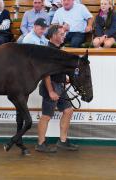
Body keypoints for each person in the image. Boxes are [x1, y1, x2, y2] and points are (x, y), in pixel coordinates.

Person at [35, 25, 78, 153]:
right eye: (61, 34)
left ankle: (63, 141)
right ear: (53, 36)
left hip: (59, 86)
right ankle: (40, 143)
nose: (63, 36)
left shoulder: (58, 49)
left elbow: (57, 69)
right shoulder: (48, 51)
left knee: (68, 110)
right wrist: (50, 91)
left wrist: (64, 79)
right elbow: (46, 73)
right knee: (46, 116)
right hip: (51, 87)